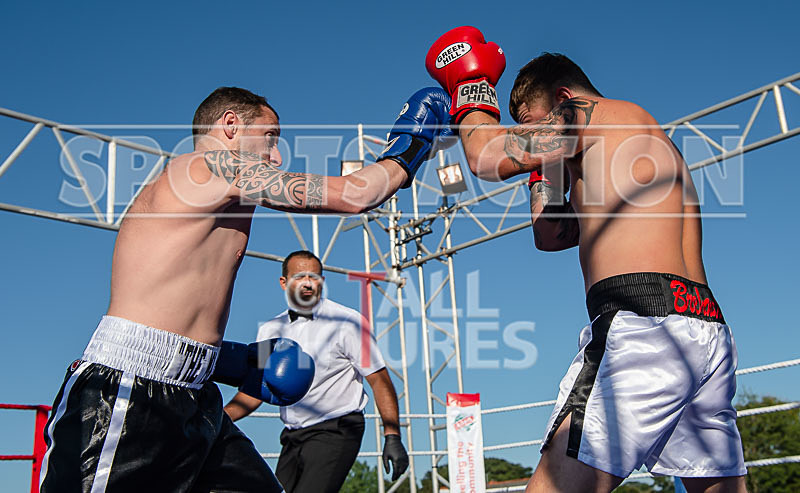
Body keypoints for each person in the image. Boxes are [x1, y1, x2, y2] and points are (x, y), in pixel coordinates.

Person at [40, 86, 449, 492]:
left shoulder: (219, 191)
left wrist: (226, 360)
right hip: (126, 394)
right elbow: (353, 195)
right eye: (270, 137)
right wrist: (410, 145)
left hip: (196, 396)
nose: (276, 156)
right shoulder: (206, 165)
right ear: (230, 125)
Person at [426, 27, 747, 493]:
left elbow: (483, 156)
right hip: (703, 329)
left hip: (643, 323)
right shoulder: (635, 142)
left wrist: (468, 91)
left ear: (562, 98)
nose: (531, 136)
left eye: (532, 123)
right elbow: (553, 234)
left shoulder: (593, 117)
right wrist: (543, 170)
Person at [223, 250, 409, 493]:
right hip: (293, 435)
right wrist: (216, 418)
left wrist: (392, 435)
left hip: (337, 428)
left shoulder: (347, 322)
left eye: (315, 277)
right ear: (284, 282)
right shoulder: (270, 330)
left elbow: (379, 380)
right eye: (300, 277)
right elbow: (256, 391)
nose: (308, 283)